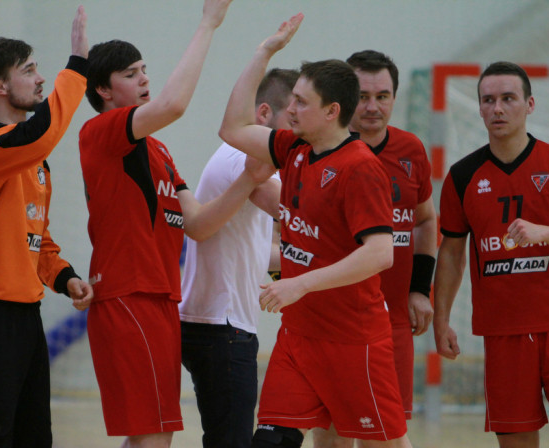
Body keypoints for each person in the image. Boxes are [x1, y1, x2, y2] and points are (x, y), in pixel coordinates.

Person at [79, 0, 276, 446]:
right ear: (104, 91)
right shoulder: (103, 132)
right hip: (130, 295)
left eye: (143, 68)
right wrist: (209, 23)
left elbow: (201, 225)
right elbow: (174, 104)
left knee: (149, 436)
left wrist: (248, 178)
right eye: (130, 73)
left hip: (162, 299)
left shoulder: (159, 151)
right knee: (154, 438)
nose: (144, 78)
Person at [219, 15, 414, 448]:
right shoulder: (295, 148)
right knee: (269, 442)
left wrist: (299, 284)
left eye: (302, 102)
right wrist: (263, 53)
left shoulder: (360, 168)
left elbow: (381, 253)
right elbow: (231, 128)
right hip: (299, 336)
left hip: (353, 340)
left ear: (332, 111)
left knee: (384, 444)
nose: (290, 109)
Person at [0, 7, 92, 448]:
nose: (41, 78)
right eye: (29, 70)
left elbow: (35, 237)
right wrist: (76, 65)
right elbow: (41, 133)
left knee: (32, 439)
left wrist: (66, 278)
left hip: (24, 315)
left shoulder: (31, 159)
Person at [433, 61, 549, 448]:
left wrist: (545, 234)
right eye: (488, 100)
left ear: (529, 104)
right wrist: (441, 318)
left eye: (507, 99)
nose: (497, 109)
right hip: (504, 335)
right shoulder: (463, 175)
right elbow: (451, 252)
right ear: (480, 107)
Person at [313, 50, 436, 448]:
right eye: (363, 96)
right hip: (334, 319)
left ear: (394, 98)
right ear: (345, 98)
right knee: (332, 435)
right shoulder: (319, 151)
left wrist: (420, 288)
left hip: (394, 319)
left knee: (384, 435)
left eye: (382, 96)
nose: (372, 106)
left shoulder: (412, 151)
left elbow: (425, 220)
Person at [179, 68, 297, 448]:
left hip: (219, 324)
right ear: (264, 114)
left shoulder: (248, 160)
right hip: (221, 327)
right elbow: (293, 210)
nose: (299, 131)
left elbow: (257, 252)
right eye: (292, 120)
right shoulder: (244, 157)